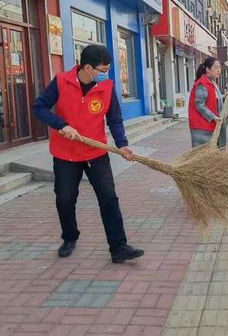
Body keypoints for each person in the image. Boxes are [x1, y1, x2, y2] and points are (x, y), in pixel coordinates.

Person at [32, 44, 144, 263]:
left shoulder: (107, 87)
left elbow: (114, 119)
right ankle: (70, 237)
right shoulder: (61, 82)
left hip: (95, 151)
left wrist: (122, 144)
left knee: (109, 198)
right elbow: (39, 107)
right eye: (103, 70)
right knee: (65, 199)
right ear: (88, 68)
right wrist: (61, 125)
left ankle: (118, 247)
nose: (106, 74)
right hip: (66, 153)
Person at [188, 57, 226, 148]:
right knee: (203, 157)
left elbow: (213, 99)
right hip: (202, 127)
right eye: (216, 68)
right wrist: (213, 117)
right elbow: (199, 104)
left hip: (210, 125)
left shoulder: (212, 83)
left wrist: (224, 97)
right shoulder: (202, 84)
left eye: (219, 68)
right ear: (208, 69)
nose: (219, 70)